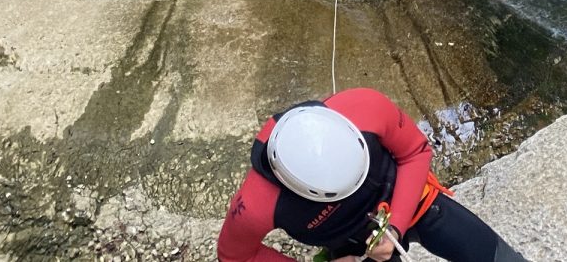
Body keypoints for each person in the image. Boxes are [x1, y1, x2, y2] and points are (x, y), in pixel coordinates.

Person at [216, 88, 525, 261]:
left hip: (410, 201)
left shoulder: (363, 107)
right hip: (350, 246)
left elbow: (415, 152)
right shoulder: (256, 205)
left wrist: (395, 227)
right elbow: (234, 258)